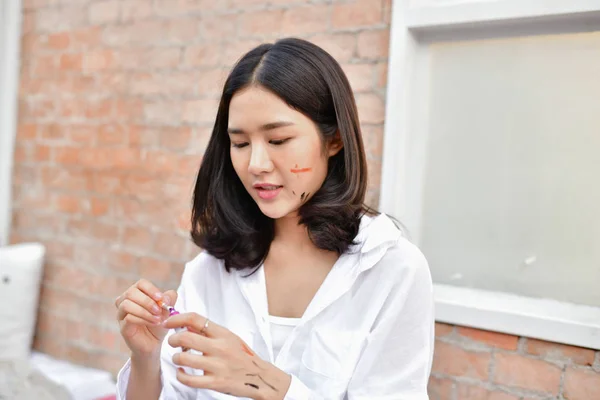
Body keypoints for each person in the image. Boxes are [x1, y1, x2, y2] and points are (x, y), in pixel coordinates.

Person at [114, 37, 434, 400]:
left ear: (335, 140)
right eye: (240, 144)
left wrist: (267, 384)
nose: (256, 165)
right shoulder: (210, 270)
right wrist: (145, 357)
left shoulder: (392, 270)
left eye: (279, 140)